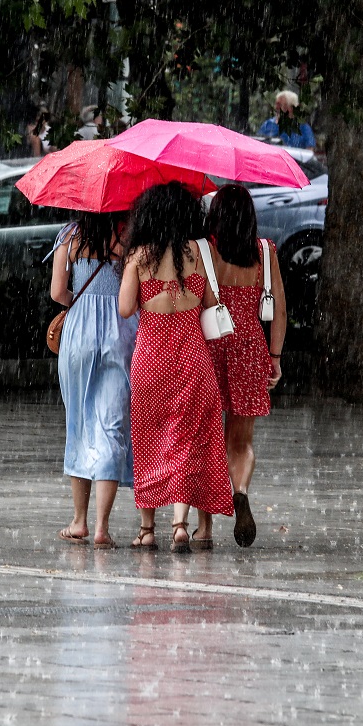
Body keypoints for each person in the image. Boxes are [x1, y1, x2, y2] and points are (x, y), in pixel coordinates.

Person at [118, 182, 232, 553]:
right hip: (192, 358)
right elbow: (212, 302)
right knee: (188, 437)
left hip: (151, 359)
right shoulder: (201, 254)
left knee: (149, 438)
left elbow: (124, 308)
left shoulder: (139, 255)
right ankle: (181, 525)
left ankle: (147, 529)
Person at [192, 185, 286, 549]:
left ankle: (204, 527)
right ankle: (241, 490)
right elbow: (279, 308)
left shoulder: (205, 251)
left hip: (210, 346)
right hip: (249, 348)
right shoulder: (264, 252)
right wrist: (274, 357)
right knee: (241, 442)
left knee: (206, 438)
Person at [50, 211, 138, 549]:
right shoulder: (127, 238)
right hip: (121, 333)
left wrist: (82, 303)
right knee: (112, 426)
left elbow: (58, 291)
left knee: (80, 423)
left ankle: (79, 521)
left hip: (78, 335)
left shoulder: (70, 237)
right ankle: (102, 526)